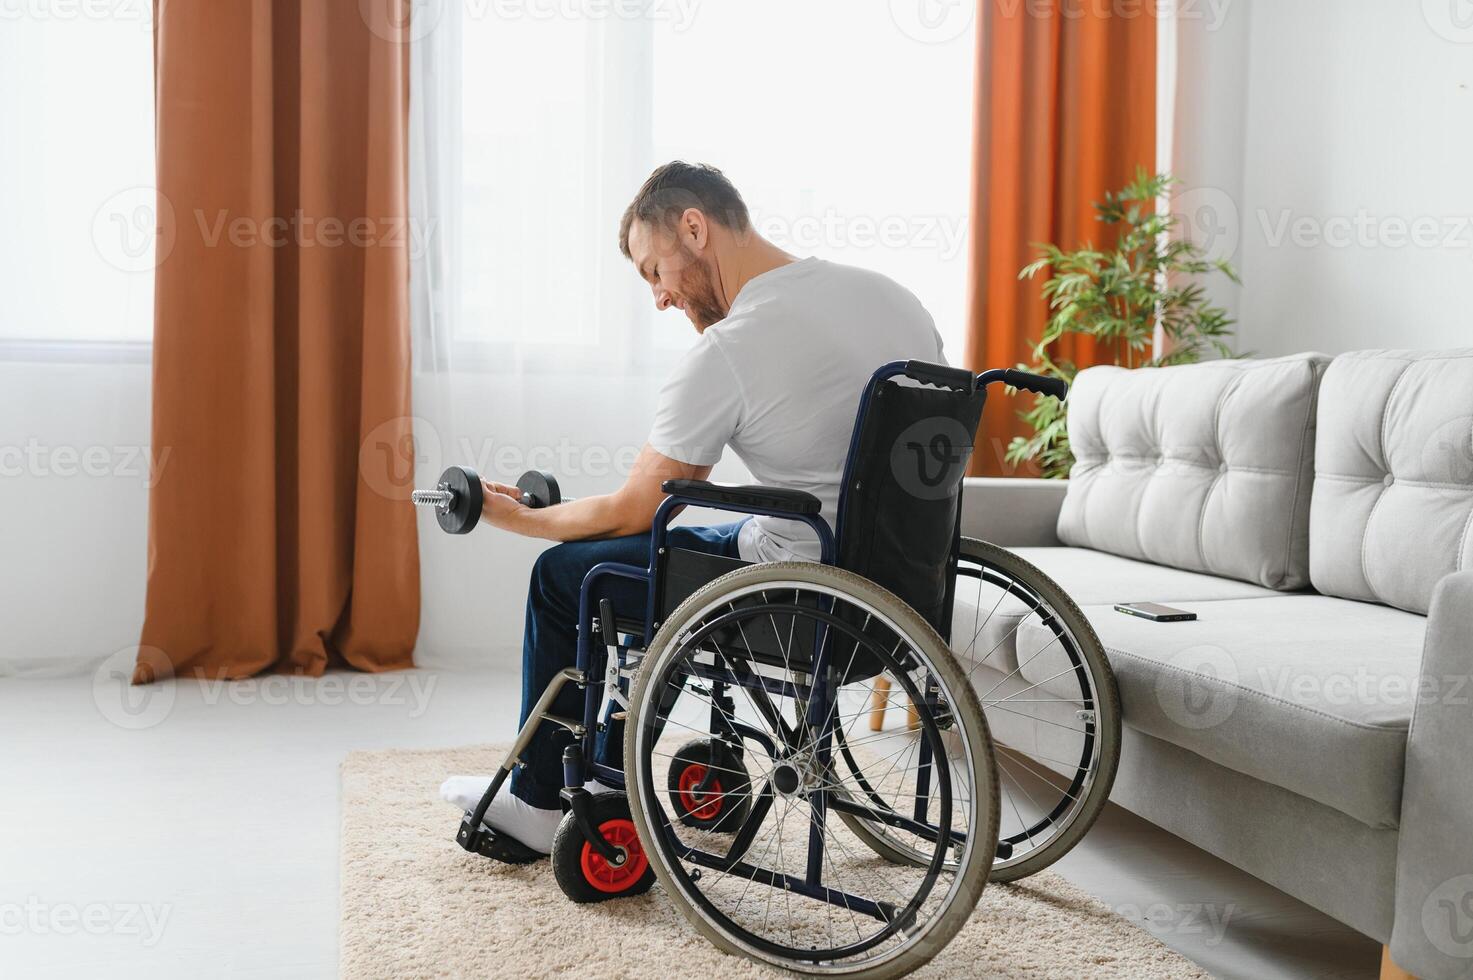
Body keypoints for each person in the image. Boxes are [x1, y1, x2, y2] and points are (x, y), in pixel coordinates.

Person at [440, 161, 946, 856]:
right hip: (902, 589)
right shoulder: (890, 298)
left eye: (655, 271)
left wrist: (514, 517)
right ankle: (614, 763)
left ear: (694, 228)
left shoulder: (732, 348)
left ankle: (534, 801)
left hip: (802, 599)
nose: (658, 297)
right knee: (691, 549)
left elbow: (633, 512)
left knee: (569, 575)